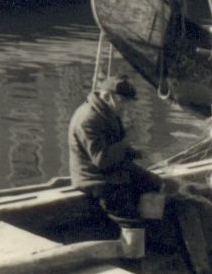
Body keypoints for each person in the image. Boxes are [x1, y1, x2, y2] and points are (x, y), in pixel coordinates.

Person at [68, 75, 162, 222]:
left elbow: (114, 146)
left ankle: (151, 224)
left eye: (128, 103)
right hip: (95, 178)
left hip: (114, 169)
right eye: (123, 102)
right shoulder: (88, 119)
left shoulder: (109, 111)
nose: (127, 108)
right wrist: (127, 140)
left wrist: (138, 154)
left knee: (154, 183)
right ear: (107, 96)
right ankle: (134, 227)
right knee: (128, 213)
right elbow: (101, 160)